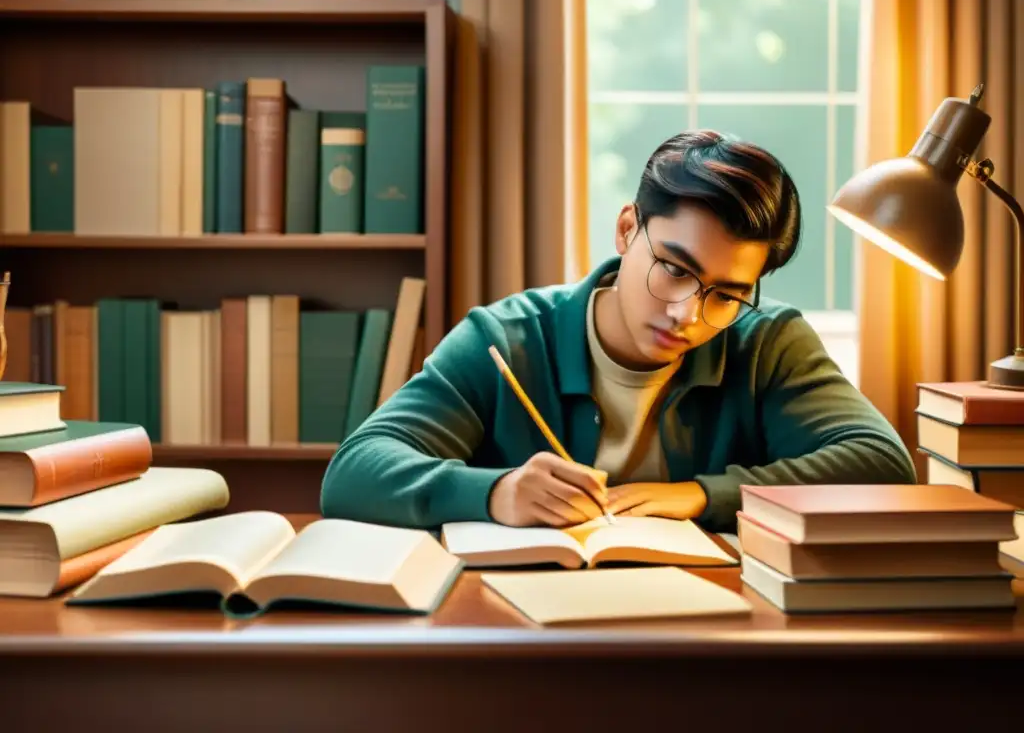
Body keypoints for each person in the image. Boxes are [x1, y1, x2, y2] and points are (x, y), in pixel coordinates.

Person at [320, 130, 916, 532]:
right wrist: (495, 493)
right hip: (522, 640)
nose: (687, 312)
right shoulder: (505, 338)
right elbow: (353, 474)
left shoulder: (768, 343)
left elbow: (882, 464)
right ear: (629, 229)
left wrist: (705, 496)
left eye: (727, 294)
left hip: (716, 642)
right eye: (675, 268)